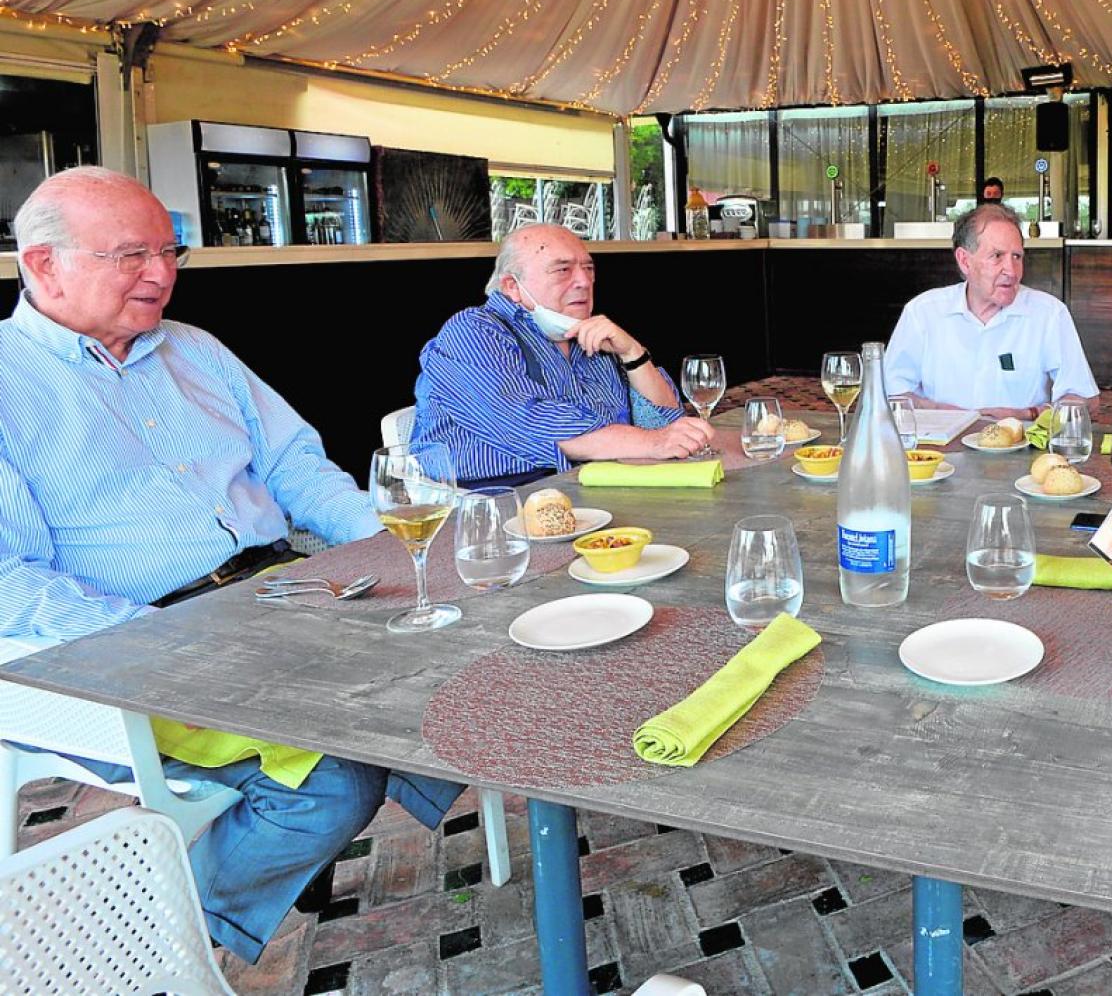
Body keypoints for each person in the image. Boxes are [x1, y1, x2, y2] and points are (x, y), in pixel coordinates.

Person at [0, 168, 463, 963]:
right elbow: (10, 580)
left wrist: (401, 542)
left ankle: (298, 845)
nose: (162, 275)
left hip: (282, 589)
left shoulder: (195, 349)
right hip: (131, 638)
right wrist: (163, 641)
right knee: (331, 781)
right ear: (43, 264)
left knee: (456, 663)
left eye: (170, 252)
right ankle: (150, 955)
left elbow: (295, 465)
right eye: (131, 256)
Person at [412, 223, 714, 483]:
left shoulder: (590, 335)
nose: (583, 281)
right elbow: (533, 423)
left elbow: (666, 424)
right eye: (563, 270)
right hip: (488, 503)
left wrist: (633, 353)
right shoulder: (474, 331)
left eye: (588, 268)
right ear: (512, 287)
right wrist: (653, 443)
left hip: (590, 489)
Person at [885, 203, 1097, 417]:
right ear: (965, 261)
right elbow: (890, 393)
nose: (1011, 271)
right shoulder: (923, 313)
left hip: (1022, 445)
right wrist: (942, 412)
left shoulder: (1049, 314)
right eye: (997, 256)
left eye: (1017, 257)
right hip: (939, 447)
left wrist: (1027, 414)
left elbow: (1085, 399)